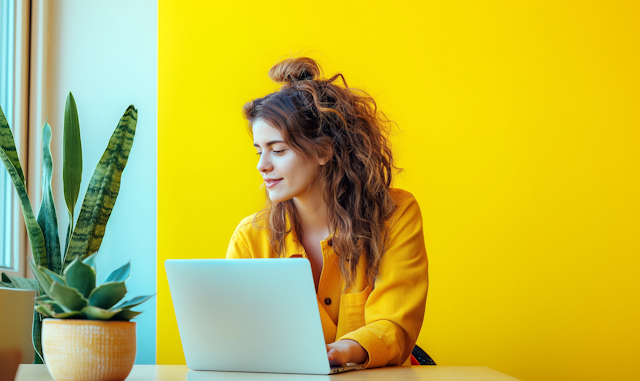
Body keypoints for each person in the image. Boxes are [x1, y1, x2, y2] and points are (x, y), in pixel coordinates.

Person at [226, 57, 429, 369]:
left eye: (278, 150)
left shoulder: (396, 215)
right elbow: (233, 335)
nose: (262, 165)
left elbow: (395, 325)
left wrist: (337, 353)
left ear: (323, 150)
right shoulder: (250, 237)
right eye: (259, 150)